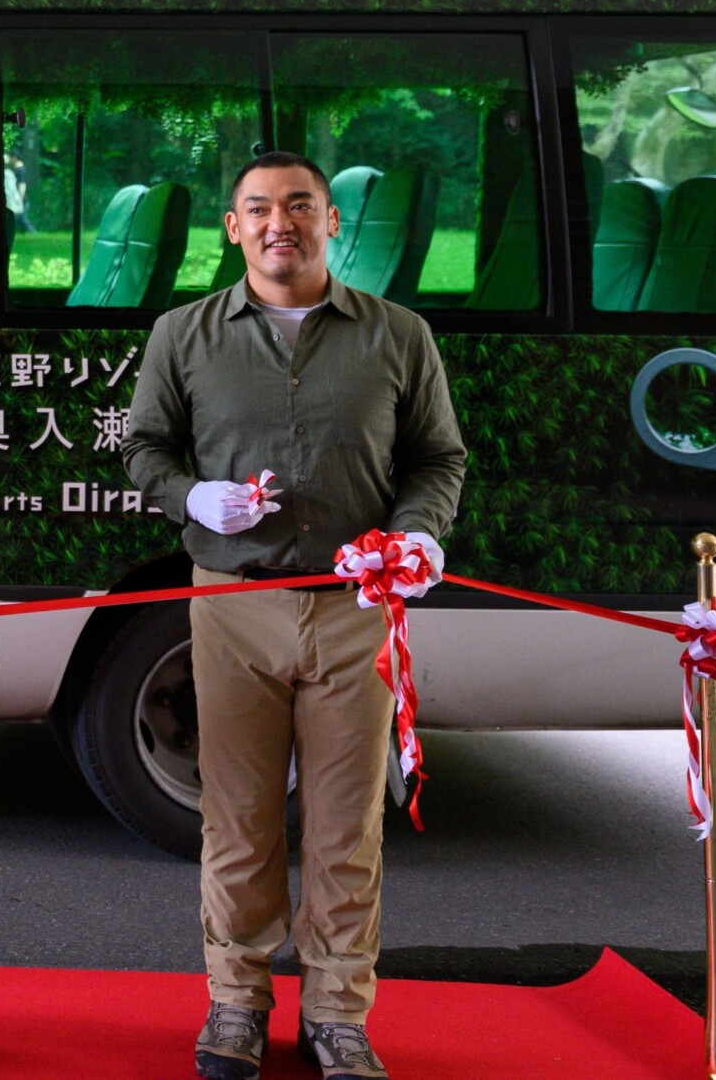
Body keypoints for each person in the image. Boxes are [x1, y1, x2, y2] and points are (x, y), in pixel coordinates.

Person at [121, 151, 467, 1080]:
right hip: (233, 604)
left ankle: (338, 1012)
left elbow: (439, 459)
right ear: (232, 227)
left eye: (301, 207)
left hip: (359, 611)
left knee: (347, 823)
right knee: (237, 818)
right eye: (260, 208)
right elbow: (144, 448)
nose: (283, 223)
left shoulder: (397, 334)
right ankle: (235, 1001)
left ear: (331, 223)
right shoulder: (183, 334)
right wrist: (194, 499)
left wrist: (418, 532)